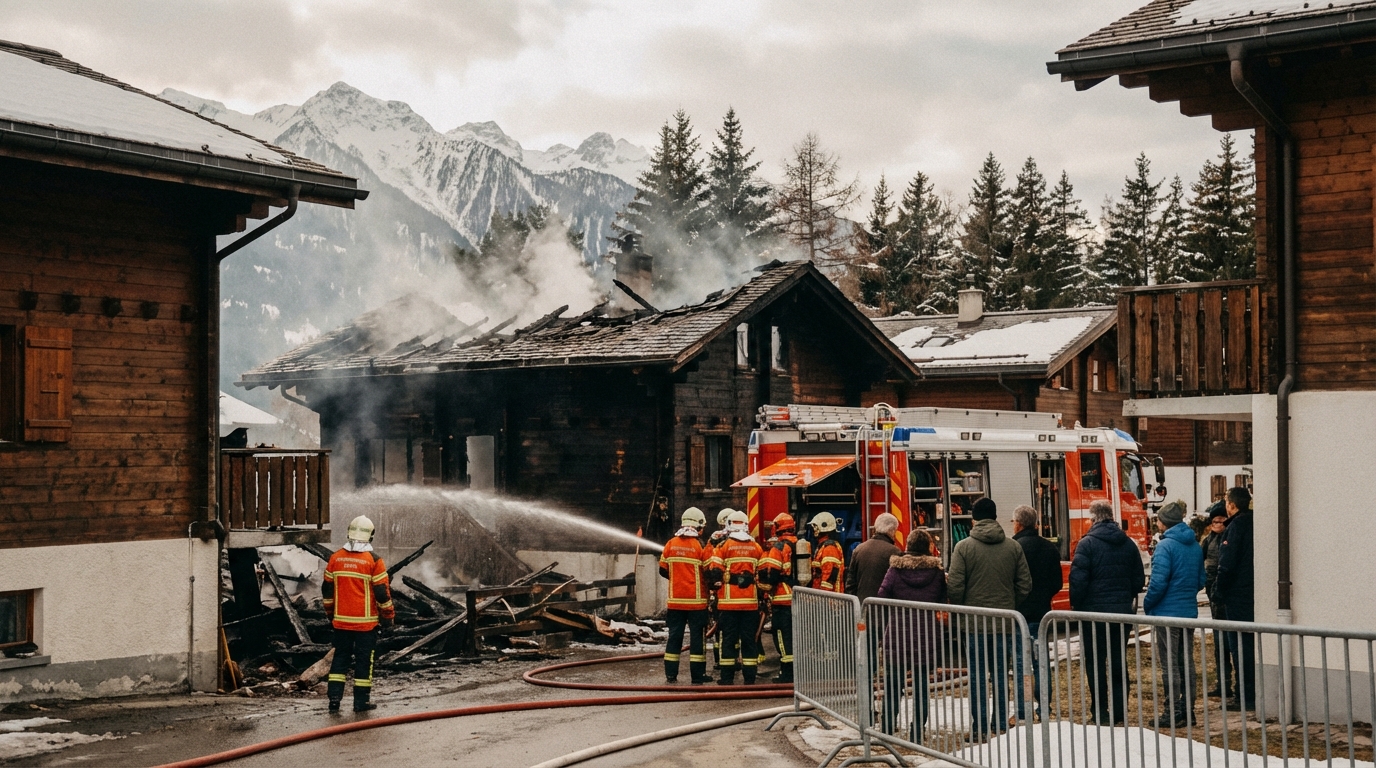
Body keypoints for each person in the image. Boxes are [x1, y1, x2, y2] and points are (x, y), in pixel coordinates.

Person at [947, 498, 1032, 740]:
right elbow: (1025, 584)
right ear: (996, 517)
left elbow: (954, 586)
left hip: (974, 623)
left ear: (974, 519)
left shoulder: (963, 547)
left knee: (976, 676)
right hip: (1004, 622)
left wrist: (964, 606)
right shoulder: (1013, 547)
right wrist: (1008, 604)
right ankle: (1000, 725)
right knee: (1000, 675)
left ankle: (980, 728)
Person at [1068, 500, 1146, 726]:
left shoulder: (1087, 544)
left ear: (1093, 519)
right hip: (1121, 614)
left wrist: (1077, 607)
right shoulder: (1128, 543)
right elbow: (1138, 581)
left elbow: (1078, 581)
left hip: (1093, 615)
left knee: (1095, 663)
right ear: (1111, 517)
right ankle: (1120, 711)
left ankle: (1100, 711)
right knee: (1118, 661)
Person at [877, 529, 947, 744]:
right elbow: (943, 598)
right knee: (921, 687)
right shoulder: (936, 572)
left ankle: (888, 729)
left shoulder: (895, 569)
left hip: (897, 633)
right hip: (925, 635)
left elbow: (881, 595)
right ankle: (917, 731)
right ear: (927, 547)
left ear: (907, 545)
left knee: (892, 685)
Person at [1143, 501, 1206, 728]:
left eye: (1158, 520)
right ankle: (1188, 710)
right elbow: (1201, 579)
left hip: (1167, 613)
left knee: (1169, 664)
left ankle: (1172, 711)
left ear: (1163, 522)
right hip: (1188, 611)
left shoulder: (1165, 546)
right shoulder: (1195, 545)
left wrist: (1148, 604)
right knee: (1186, 662)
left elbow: (1158, 583)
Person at [322, 515, 395, 714]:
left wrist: (331, 614)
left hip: (341, 624)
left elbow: (327, 592)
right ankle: (360, 703)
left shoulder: (335, 558)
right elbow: (382, 593)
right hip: (366, 626)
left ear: (348, 533)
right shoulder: (374, 561)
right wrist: (388, 617)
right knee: (364, 662)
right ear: (371, 536)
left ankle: (334, 701)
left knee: (340, 660)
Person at [1012, 504, 1063, 722]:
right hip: (1042, 614)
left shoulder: (1014, 547)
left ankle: (1024, 710)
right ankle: (1044, 708)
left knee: (1022, 666)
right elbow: (1057, 582)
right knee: (1042, 664)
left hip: (1020, 614)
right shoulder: (1049, 548)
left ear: (1019, 523)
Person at [706, 510, 764, 685]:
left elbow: (714, 572)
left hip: (728, 605)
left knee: (728, 641)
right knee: (749, 641)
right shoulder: (756, 547)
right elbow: (762, 573)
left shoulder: (723, 547)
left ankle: (727, 678)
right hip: (750, 605)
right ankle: (750, 678)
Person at [1212, 486, 1255, 711]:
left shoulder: (1235, 527)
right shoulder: (1253, 522)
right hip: (1251, 592)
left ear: (1232, 505)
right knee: (1247, 644)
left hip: (1237, 595)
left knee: (1239, 646)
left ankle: (1244, 697)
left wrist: (1219, 590)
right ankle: (1248, 693)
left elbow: (1227, 564)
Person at [659, 507, 711, 684]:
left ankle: (671, 675)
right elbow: (709, 572)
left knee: (674, 637)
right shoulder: (700, 546)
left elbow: (663, 570)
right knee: (697, 639)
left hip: (675, 602)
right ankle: (697, 676)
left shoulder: (670, 544)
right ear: (698, 526)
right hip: (697, 603)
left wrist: (678, 579)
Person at [757, 512, 798, 684]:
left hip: (783, 600)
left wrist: (762, 586)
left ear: (777, 528)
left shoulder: (778, 548)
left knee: (782, 637)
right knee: (796, 637)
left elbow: (771, 576)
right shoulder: (803, 545)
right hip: (801, 598)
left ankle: (787, 674)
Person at [1199, 502, 1235, 699]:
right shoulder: (1208, 540)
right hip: (1212, 592)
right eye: (1214, 521)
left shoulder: (1229, 538)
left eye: (1221, 520)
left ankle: (1232, 685)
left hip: (1224, 592)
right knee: (1219, 641)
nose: (1217, 523)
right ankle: (1223, 683)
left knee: (1227, 640)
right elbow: (1201, 559)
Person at [845, 513, 902, 602]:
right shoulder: (895, 552)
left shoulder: (859, 549)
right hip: (885, 609)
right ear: (892, 531)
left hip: (862, 606)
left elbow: (850, 583)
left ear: (875, 528)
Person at [705, 508, 734, 670]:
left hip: (718, 592)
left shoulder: (714, 539)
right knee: (732, 630)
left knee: (719, 629)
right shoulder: (740, 539)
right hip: (736, 593)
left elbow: (708, 563)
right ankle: (733, 660)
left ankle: (719, 661)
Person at [809, 512, 845, 593]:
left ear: (823, 526)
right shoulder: (823, 546)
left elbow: (829, 578)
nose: (814, 529)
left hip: (830, 601)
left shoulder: (829, 548)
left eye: (815, 526)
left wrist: (824, 598)